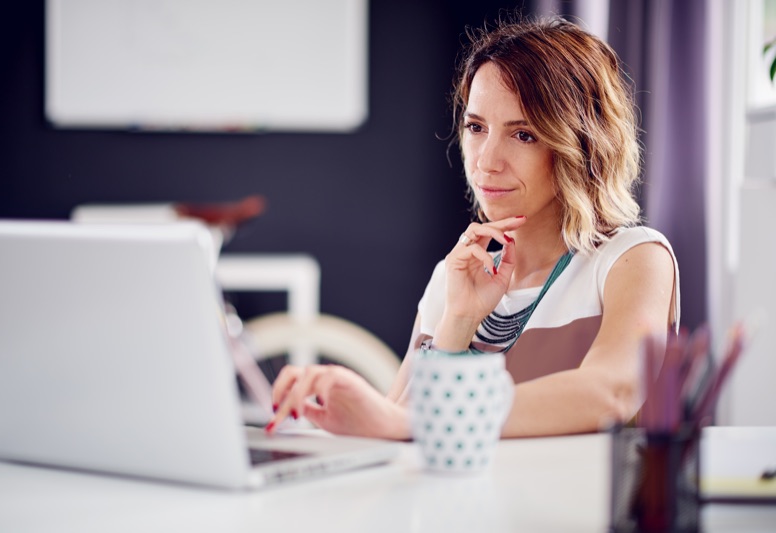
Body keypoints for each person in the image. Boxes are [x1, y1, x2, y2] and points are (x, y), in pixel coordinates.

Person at [265, 15, 679, 439]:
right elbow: (401, 434)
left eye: (523, 135)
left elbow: (611, 391)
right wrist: (458, 319)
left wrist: (419, 418)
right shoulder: (453, 278)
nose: (485, 160)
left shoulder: (634, 257)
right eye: (476, 127)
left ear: (580, 145)